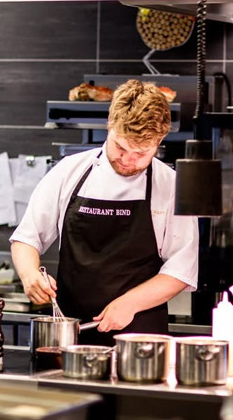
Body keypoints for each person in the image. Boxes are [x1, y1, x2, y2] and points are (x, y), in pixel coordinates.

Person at [10, 79, 199, 345]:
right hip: (70, 335)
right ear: (110, 125)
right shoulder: (69, 172)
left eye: (141, 153)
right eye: (121, 147)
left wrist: (130, 303)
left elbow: (181, 270)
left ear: (159, 141)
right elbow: (27, 238)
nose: (128, 160)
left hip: (140, 341)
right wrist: (30, 274)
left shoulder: (170, 186)